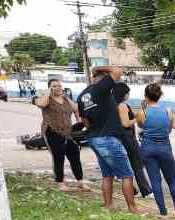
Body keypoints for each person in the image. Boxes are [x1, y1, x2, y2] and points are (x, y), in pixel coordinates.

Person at [77, 66, 136, 212]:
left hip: (94, 138)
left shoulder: (82, 96)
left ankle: (108, 205)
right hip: (108, 138)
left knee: (107, 175)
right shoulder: (100, 88)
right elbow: (117, 70)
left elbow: (84, 120)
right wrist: (98, 68)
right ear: (103, 77)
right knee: (127, 175)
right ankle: (132, 209)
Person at [135, 82, 175, 217]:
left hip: (148, 147)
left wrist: (143, 108)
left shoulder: (141, 113)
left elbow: (141, 127)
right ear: (160, 95)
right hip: (164, 147)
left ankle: (163, 213)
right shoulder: (168, 111)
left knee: (155, 181)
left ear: (146, 96)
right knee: (172, 181)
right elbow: (169, 129)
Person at [31, 78, 87, 191]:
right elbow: (41, 104)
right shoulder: (45, 99)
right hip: (52, 131)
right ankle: (60, 183)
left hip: (67, 132)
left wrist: (78, 120)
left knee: (75, 154)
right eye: (54, 86)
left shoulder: (66, 99)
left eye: (59, 85)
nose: (57, 88)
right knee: (58, 157)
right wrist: (47, 93)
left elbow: (77, 108)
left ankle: (80, 181)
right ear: (49, 88)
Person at [112, 82, 152, 199]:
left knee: (126, 166)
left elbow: (130, 116)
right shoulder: (122, 105)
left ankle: (133, 190)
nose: (128, 95)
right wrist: (137, 118)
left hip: (120, 138)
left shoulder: (113, 105)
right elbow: (126, 123)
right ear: (123, 94)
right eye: (127, 92)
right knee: (137, 165)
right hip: (127, 138)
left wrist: (141, 109)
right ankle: (146, 191)